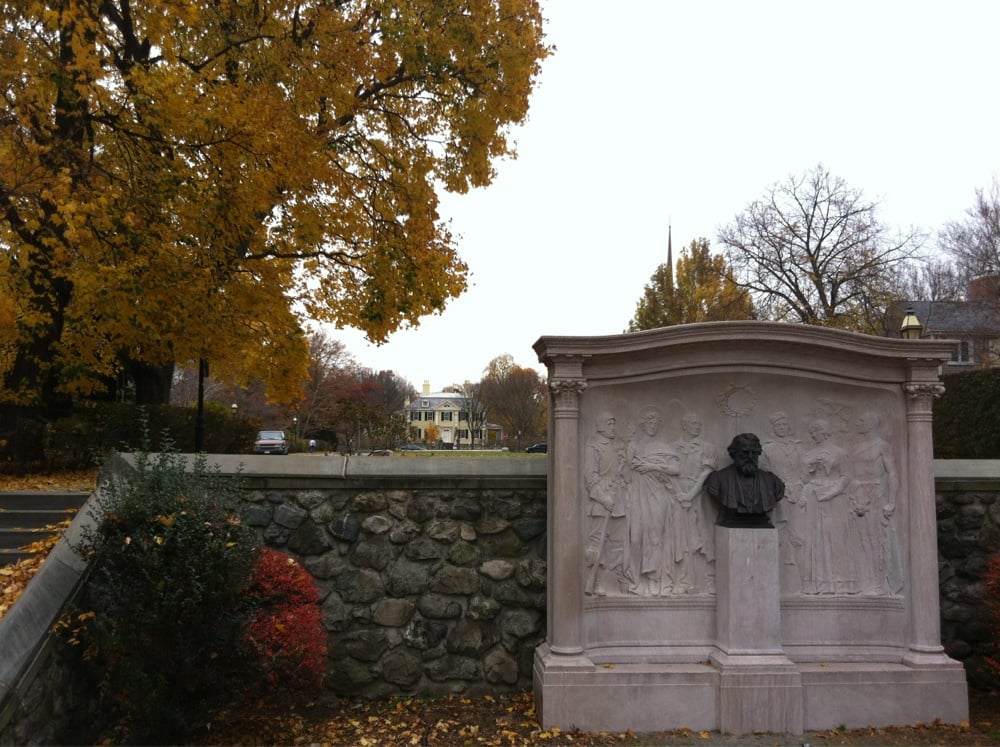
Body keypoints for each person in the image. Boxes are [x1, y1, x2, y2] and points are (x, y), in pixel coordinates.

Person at [704, 433, 785, 527]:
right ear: (734, 454)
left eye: (754, 453)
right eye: (745, 452)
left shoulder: (772, 482)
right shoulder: (717, 479)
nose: (750, 457)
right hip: (731, 520)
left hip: (761, 523)